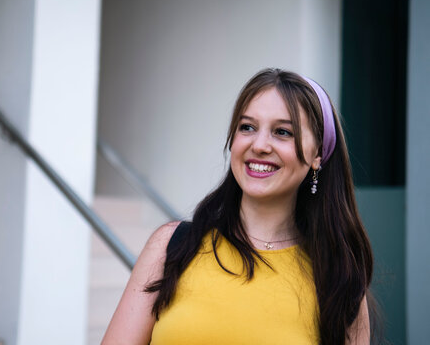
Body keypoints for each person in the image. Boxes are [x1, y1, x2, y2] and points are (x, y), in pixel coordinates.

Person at [102, 68, 374, 345]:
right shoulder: (171, 246)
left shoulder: (340, 276)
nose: (259, 145)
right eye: (247, 127)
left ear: (317, 154)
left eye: (282, 132)